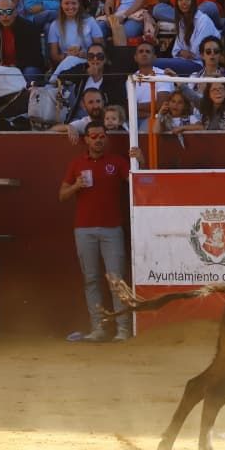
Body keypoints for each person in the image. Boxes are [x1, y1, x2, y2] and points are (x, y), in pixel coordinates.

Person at [60, 122, 131, 343]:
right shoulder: (77, 163)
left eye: (102, 136)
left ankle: (123, 329)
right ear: (86, 140)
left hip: (112, 229)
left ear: (106, 138)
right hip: (85, 229)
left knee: (116, 280)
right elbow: (62, 195)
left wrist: (141, 161)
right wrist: (76, 186)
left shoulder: (117, 162)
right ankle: (99, 328)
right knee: (91, 280)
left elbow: (137, 182)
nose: (98, 140)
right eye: (94, 136)